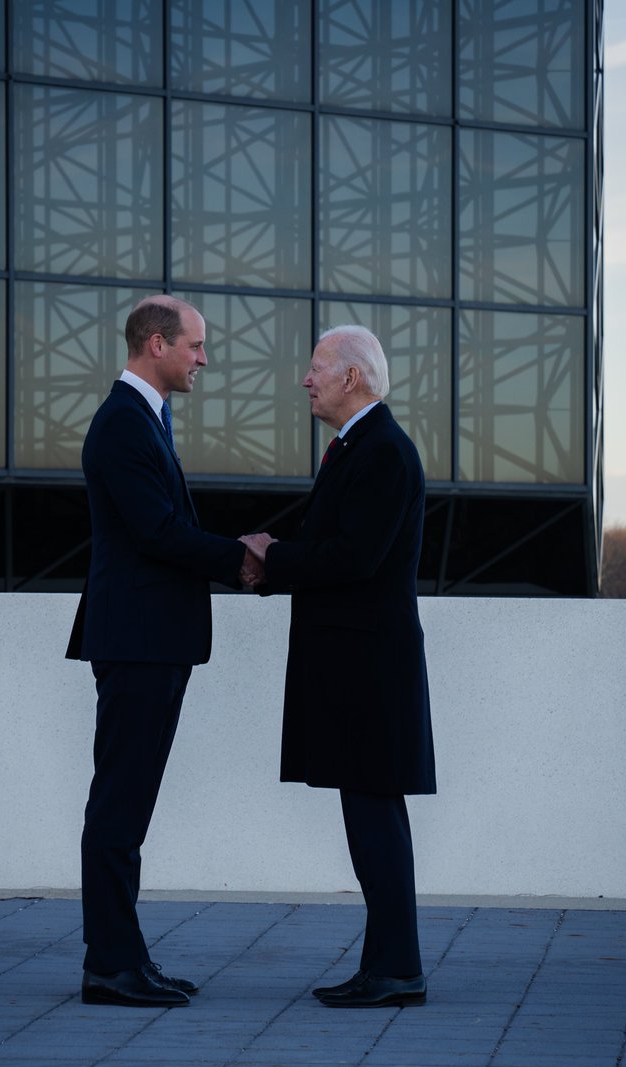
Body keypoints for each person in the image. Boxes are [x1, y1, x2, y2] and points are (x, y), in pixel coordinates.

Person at [66, 295, 262, 1007]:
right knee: (119, 807)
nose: (204, 359)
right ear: (156, 344)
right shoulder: (122, 423)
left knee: (128, 805)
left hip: (153, 639)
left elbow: (160, 529)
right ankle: (110, 966)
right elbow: (156, 533)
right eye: (196, 347)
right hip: (139, 641)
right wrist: (244, 559)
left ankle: (122, 957)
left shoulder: (144, 418)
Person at [242, 325, 436, 1009]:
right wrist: (273, 560)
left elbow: (352, 559)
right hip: (360, 668)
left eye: (317, 366)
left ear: (352, 377)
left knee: (374, 816)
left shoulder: (381, 452)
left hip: (368, 672)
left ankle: (395, 970)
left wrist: (272, 556)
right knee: (371, 815)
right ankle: (389, 964)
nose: (306, 379)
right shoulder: (363, 448)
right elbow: (339, 549)